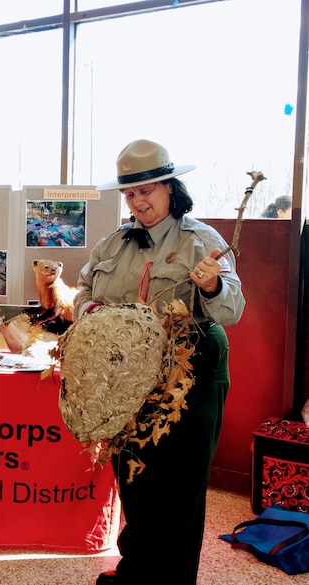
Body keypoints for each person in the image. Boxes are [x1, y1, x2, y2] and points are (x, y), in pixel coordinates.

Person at [75, 139, 245, 585]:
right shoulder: (113, 244)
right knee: (134, 478)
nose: (138, 201)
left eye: (147, 190)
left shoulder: (202, 241)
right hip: (126, 379)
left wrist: (211, 288)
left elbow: (232, 312)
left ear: (170, 188)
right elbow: (83, 295)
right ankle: (137, 573)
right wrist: (93, 315)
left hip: (190, 376)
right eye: (129, 194)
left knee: (180, 490)